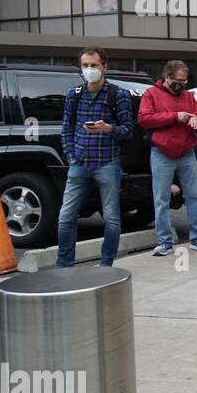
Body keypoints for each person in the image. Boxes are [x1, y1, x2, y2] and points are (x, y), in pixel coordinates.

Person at [57, 47, 134, 267]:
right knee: (66, 217)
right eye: (85, 66)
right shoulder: (75, 94)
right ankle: (64, 265)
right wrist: (71, 155)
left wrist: (108, 128)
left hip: (107, 163)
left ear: (104, 67)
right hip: (79, 163)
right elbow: (66, 128)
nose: (90, 70)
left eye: (94, 65)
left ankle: (106, 264)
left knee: (111, 217)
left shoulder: (117, 94)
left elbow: (128, 130)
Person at [138, 59, 197, 256]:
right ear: (167, 77)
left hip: (186, 151)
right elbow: (144, 119)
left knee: (194, 195)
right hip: (162, 151)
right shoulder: (151, 94)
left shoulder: (188, 95)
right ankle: (164, 242)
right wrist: (175, 116)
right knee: (161, 199)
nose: (181, 85)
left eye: (185, 81)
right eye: (178, 81)